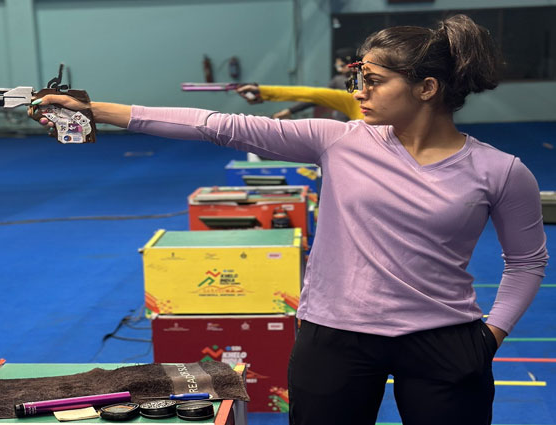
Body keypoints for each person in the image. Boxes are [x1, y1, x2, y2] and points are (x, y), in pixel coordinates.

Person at [30, 14, 547, 425]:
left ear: (427, 88)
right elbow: (216, 125)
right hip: (334, 336)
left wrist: (491, 334)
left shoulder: (499, 171)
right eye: (356, 79)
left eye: (372, 80)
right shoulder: (338, 140)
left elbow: (526, 263)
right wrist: (96, 108)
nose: (359, 91)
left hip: (446, 339)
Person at [269, 47, 356, 120]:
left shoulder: (360, 79)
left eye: (342, 65)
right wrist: (290, 110)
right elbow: (316, 97)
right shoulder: (338, 80)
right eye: (338, 66)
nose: (339, 69)